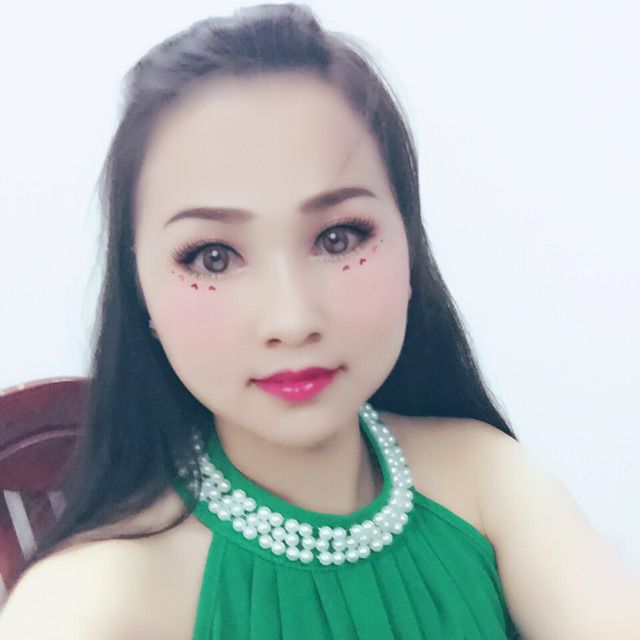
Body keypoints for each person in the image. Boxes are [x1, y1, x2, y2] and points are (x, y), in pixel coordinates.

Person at [1, 4, 638, 639]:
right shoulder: (90, 606)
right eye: (213, 257)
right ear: (140, 289)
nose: (292, 319)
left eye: (338, 237)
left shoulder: (481, 474)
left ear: (408, 244)